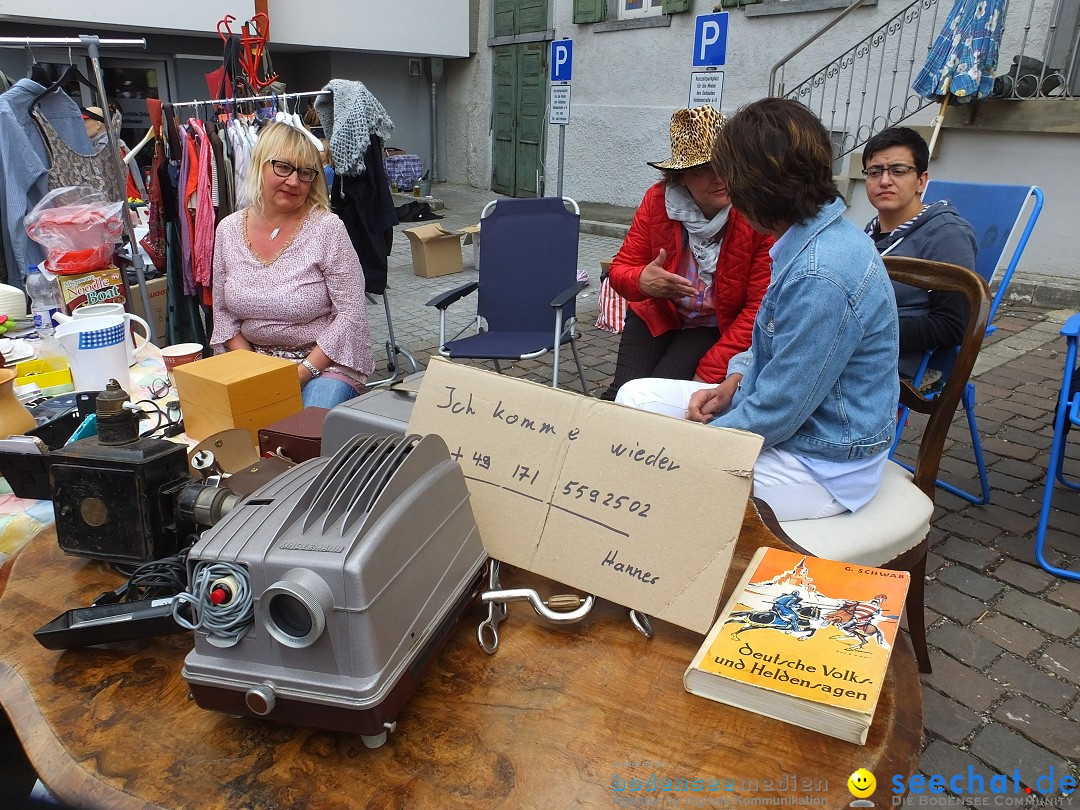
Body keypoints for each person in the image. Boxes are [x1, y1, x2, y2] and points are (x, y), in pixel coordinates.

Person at [617, 98, 899, 523]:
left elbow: (779, 410)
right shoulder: (804, 236)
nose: (723, 188)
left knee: (660, 481)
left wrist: (695, 446)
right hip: (794, 425)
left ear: (757, 187)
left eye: (728, 176)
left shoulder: (819, 274)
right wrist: (732, 381)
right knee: (634, 396)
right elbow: (765, 341)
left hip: (823, 461)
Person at [600, 106, 773, 401]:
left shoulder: (754, 214)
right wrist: (642, 280)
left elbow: (758, 308)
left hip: (712, 325)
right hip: (657, 313)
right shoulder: (658, 202)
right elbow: (620, 270)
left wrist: (709, 371)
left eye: (724, 164)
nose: (719, 178)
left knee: (658, 397)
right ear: (680, 177)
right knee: (622, 394)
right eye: (703, 169)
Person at [210, 122, 374, 408]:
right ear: (260, 165)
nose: (294, 181)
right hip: (251, 359)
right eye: (283, 167)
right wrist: (254, 369)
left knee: (304, 425)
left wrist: (302, 372)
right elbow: (223, 313)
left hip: (324, 363)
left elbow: (350, 313)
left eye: (305, 172)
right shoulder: (228, 230)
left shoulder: (327, 229)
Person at [861, 127, 977, 379]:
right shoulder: (868, 234)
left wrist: (862, 331)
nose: (884, 180)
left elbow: (952, 326)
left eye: (898, 171)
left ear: (921, 181)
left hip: (885, 369)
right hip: (848, 354)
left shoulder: (945, 235)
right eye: (874, 172)